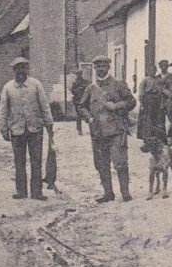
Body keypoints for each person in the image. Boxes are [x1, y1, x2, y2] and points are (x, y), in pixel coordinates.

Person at [77, 55, 137, 203]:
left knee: (120, 162)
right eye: (97, 67)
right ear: (94, 68)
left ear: (108, 67)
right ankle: (108, 193)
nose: (100, 69)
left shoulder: (118, 85)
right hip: (97, 133)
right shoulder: (91, 88)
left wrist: (116, 106)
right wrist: (89, 118)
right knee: (101, 164)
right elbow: (81, 107)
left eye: (103, 66)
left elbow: (131, 101)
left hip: (116, 131)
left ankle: (125, 193)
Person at [0, 57, 54, 201]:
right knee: (19, 162)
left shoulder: (36, 85)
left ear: (27, 69)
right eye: (18, 68)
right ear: (14, 70)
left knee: (36, 161)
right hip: (16, 130)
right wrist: (3, 128)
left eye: (23, 68)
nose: (21, 71)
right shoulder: (8, 87)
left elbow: (44, 106)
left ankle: (37, 192)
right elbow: (3, 109)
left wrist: (49, 124)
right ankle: (21, 191)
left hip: (35, 129)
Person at [137, 63, 166, 143]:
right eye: (150, 70)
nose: (152, 72)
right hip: (147, 102)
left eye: (154, 70)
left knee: (156, 120)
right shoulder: (145, 80)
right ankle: (147, 138)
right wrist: (142, 104)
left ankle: (155, 137)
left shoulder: (158, 80)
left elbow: (161, 90)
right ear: (148, 71)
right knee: (147, 120)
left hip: (156, 102)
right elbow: (141, 92)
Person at [70, 65, 90, 135]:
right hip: (77, 101)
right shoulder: (75, 83)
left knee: (86, 115)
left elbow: (88, 91)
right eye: (77, 74)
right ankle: (79, 130)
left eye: (79, 74)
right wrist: (79, 89)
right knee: (78, 115)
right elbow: (72, 91)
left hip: (84, 101)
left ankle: (83, 128)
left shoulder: (85, 82)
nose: (78, 76)